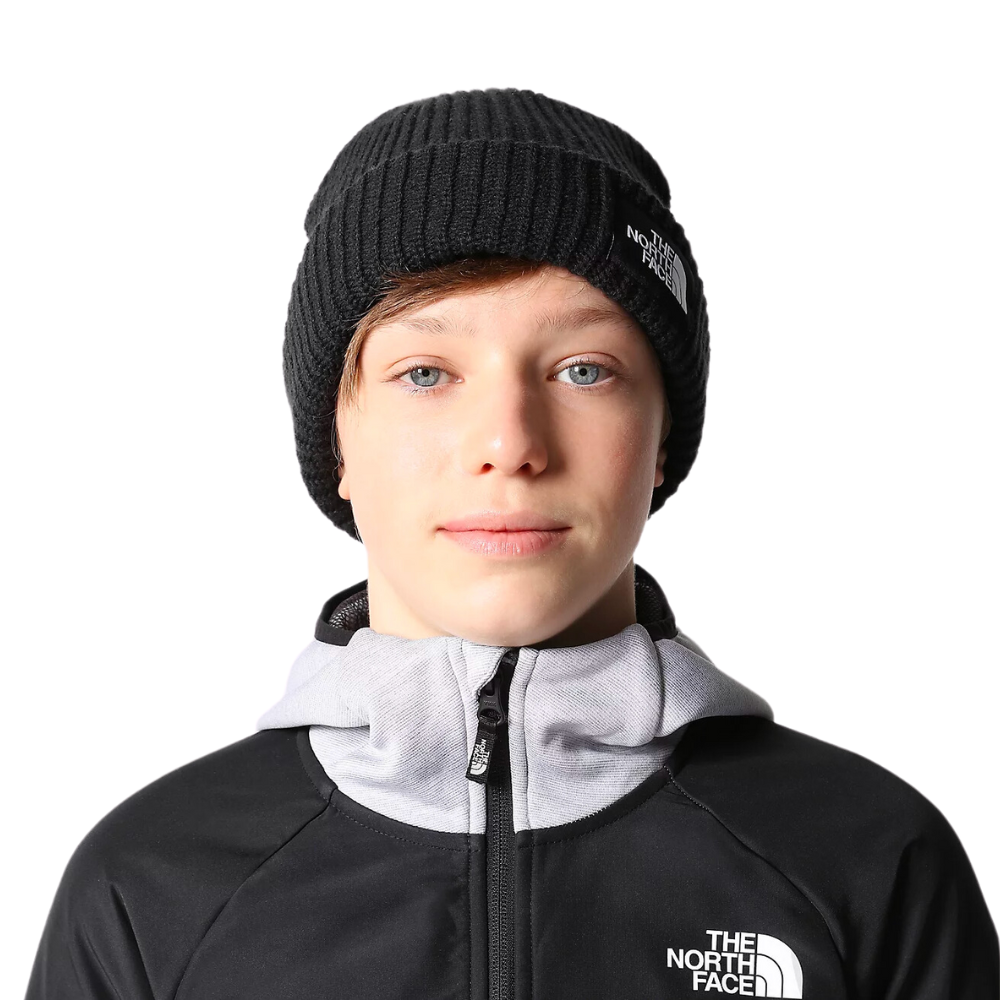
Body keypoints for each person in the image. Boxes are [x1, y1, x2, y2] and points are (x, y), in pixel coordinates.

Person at [25, 87, 997, 999]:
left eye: (583, 369)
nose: (509, 443)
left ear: (661, 437)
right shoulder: (152, 887)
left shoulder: (868, 861)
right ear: (336, 442)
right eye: (424, 372)